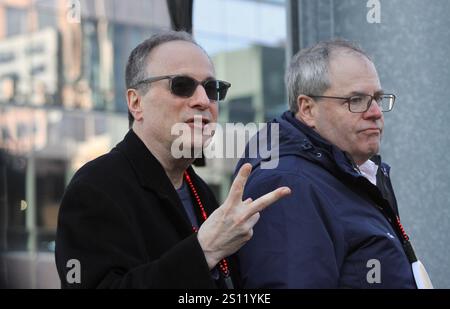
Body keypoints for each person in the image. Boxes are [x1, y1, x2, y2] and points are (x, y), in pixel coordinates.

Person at [55, 30, 290, 289]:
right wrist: (204, 251)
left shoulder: (197, 188)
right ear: (136, 103)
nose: (203, 101)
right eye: (181, 85)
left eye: (212, 88)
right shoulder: (95, 188)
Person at [235, 40, 432, 288]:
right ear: (307, 109)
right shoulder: (289, 183)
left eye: (377, 99)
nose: (375, 113)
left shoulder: (348, 173)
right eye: (356, 100)